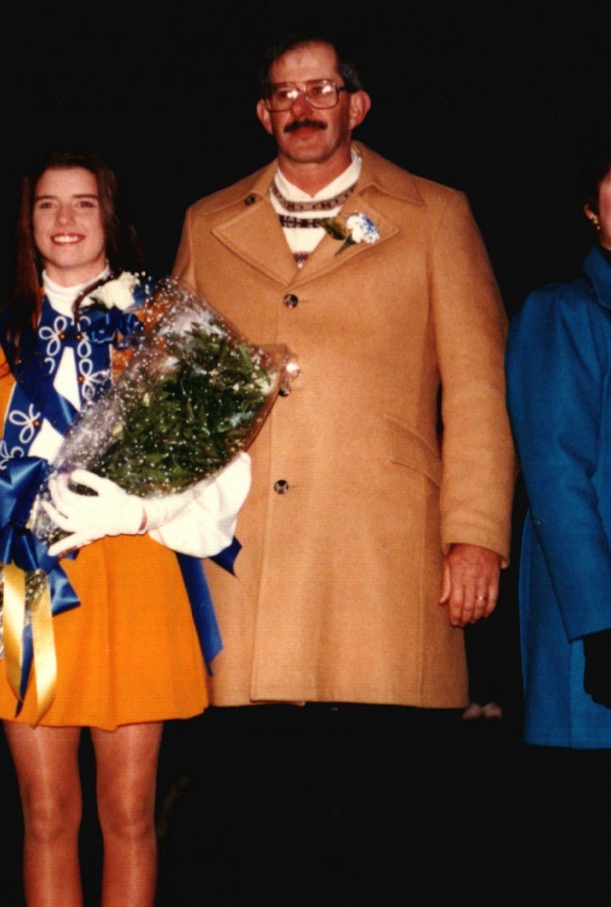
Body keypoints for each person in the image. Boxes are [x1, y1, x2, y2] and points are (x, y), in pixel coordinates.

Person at [171, 33, 516, 858]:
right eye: (285, 94)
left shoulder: (436, 212)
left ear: (356, 106)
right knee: (253, 823)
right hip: (245, 566)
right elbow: (171, 397)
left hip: (385, 566)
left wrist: (475, 536)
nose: (303, 106)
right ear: (263, 114)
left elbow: (477, 391)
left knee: (384, 826)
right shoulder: (208, 222)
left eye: (321, 89)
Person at [0, 150, 249, 906]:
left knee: (129, 812)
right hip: (30, 585)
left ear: (110, 216)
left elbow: (221, 457)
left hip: (137, 574)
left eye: (83, 203)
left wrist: (144, 510)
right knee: (47, 813)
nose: (65, 220)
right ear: (28, 222)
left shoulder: (166, 320)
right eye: (48, 205)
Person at [505, 130, 611, 751]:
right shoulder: (563, 314)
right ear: (591, 211)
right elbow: (557, 480)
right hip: (593, 617)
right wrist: (600, 623)